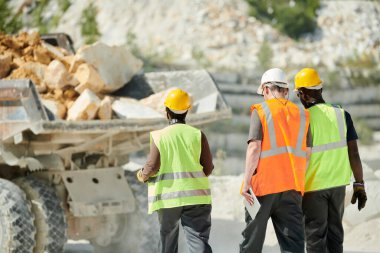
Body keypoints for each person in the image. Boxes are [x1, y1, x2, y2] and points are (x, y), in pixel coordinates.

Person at [294, 68, 367, 253]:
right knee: (335, 236)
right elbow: (354, 154)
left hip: (313, 186)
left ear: (302, 93)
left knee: (315, 238)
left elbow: (298, 157)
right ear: (320, 89)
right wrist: (359, 184)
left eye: (298, 94)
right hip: (338, 186)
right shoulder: (342, 115)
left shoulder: (303, 119)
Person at [240, 68, 310, 253]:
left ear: (265, 89)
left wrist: (246, 182)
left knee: (252, 243)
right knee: (293, 246)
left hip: (262, 188)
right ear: (286, 91)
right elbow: (307, 154)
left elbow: (254, 148)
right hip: (292, 189)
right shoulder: (303, 115)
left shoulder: (261, 111)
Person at [136, 88, 214, 253]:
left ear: (167, 112)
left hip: (168, 199)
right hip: (197, 198)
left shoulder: (160, 136)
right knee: (198, 239)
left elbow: (152, 166)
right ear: (187, 111)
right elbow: (208, 169)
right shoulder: (197, 135)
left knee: (168, 239)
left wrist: (142, 175)